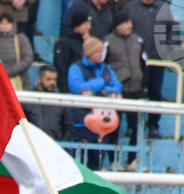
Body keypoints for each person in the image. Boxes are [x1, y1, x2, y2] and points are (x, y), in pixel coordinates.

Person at [69, 36, 122, 170]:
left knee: (97, 163)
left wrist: (96, 88)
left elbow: (117, 86)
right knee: (78, 164)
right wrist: (102, 84)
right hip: (82, 122)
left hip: (103, 125)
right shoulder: (76, 68)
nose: (101, 55)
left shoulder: (106, 68)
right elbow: (77, 88)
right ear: (90, 52)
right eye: (98, 52)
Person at [103, 11, 146, 167]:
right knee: (114, 126)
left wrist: (144, 86)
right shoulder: (107, 41)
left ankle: (131, 160)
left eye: (130, 22)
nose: (130, 25)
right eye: (126, 23)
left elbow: (144, 64)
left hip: (135, 90)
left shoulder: (138, 40)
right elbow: (103, 66)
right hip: (117, 93)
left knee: (136, 126)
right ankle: (113, 161)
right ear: (117, 25)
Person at [125, 0, 166, 138]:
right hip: (136, 60)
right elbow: (124, 30)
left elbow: (172, 31)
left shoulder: (163, 8)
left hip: (157, 59)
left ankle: (153, 125)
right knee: (134, 92)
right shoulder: (130, 8)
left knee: (155, 93)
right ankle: (132, 126)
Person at [23, 66, 75, 141]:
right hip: (31, 147)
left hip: (54, 148)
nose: (52, 83)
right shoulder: (28, 99)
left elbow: (69, 127)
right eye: (48, 79)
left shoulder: (60, 101)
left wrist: (62, 146)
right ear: (40, 79)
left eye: (55, 80)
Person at [53, 7, 93, 93]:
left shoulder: (88, 42)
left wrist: (89, 43)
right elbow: (61, 69)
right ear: (77, 26)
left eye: (89, 24)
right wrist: (65, 91)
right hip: (70, 91)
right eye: (86, 24)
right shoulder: (63, 43)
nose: (89, 27)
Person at [0, 13, 34, 90]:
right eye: (2, 23)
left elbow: (27, 59)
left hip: (17, 79)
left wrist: (9, 72)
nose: (4, 26)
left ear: (13, 24)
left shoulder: (20, 39)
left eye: (8, 23)